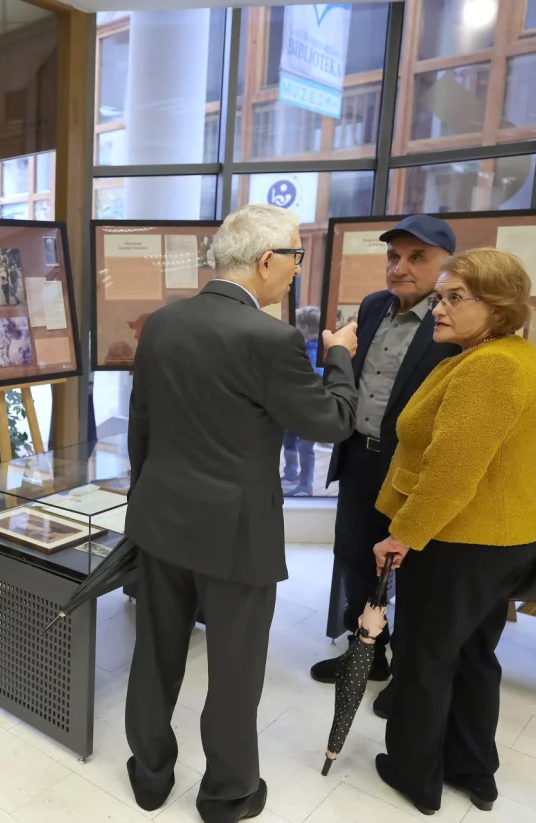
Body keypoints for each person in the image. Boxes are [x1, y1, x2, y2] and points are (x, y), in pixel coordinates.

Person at [124, 204, 359, 823]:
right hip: (236, 535)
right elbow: (333, 421)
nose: (296, 272)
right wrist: (337, 356)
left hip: (160, 517)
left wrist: (143, 498)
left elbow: (141, 426)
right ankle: (227, 794)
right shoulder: (273, 340)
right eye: (295, 258)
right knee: (234, 670)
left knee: (155, 652)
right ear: (265, 261)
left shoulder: (162, 324)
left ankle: (149, 777)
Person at [369, 248, 536, 815]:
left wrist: (404, 534)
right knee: (473, 656)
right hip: (496, 540)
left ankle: (412, 775)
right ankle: (475, 771)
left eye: (454, 298)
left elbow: (453, 470)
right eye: (439, 296)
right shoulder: (511, 355)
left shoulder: (490, 368)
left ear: (497, 307)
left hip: (462, 542)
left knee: (424, 660)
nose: (438, 309)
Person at [310, 215, 461, 688]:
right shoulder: (374, 306)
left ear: (445, 265)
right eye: (394, 256)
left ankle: (410, 681)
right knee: (356, 558)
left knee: (413, 570)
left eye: (417, 257)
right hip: (360, 456)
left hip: (414, 470)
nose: (400, 267)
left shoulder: (452, 322)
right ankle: (366, 653)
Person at [282, 306, 324, 497]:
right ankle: (291, 474)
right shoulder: (301, 349)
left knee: (305, 446)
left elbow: (314, 380)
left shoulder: (316, 353)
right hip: (293, 405)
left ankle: (306, 484)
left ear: (305, 327)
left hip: (309, 408)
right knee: (289, 440)